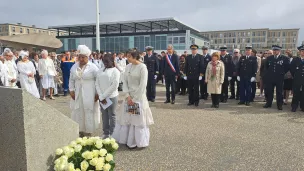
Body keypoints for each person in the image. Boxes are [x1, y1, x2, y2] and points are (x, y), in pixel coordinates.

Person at [112, 50, 154, 149]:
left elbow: (143, 85)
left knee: (137, 119)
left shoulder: (143, 67)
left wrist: (134, 98)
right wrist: (127, 95)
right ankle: (127, 139)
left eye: (129, 57)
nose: (127, 58)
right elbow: (124, 81)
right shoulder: (128, 67)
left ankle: (137, 141)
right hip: (128, 97)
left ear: (135, 57)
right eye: (127, 56)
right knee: (127, 118)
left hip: (138, 97)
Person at [69, 45, 100, 137]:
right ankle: (80, 129)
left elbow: (98, 80)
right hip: (78, 92)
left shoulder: (93, 67)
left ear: (88, 57)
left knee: (89, 110)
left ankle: (89, 130)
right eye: (79, 57)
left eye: (83, 57)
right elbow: (71, 80)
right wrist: (71, 90)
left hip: (90, 92)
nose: (81, 59)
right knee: (78, 110)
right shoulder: (74, 67)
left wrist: (97, 93)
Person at [95, 54, 120, 138]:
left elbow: (114, 86)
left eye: (107, 62)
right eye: (104, 62)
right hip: (102, 97)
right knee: (104, 115)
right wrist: (100, 96)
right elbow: (97, 83)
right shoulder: (100, 70)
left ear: (112, 61)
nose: (105, 63)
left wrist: (103, 96)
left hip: (112, 96)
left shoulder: (115, 71)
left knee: (112, 115)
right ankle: (106, 133)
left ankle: (113, 134)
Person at [263, 45, 289, 110]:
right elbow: (266, 67)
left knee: (279, 92)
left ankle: (279, 105)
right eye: (274, 50)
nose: (275, 51)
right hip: (270, 77)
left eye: (276, 50)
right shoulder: (269, 58)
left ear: (279, 51)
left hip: (279, 78)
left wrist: (282, 73)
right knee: (269, 91)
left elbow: (287, 67)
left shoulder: (284, 58)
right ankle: (268, 103)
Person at [290, 45, 304, 112]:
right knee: (296, 93)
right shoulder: (296, 59)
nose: (303, 52)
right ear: (300, 52)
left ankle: (302, 106)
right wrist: (295, 75)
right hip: (297, 79)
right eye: (302, 51)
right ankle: (294, 106)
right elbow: (292, 69)